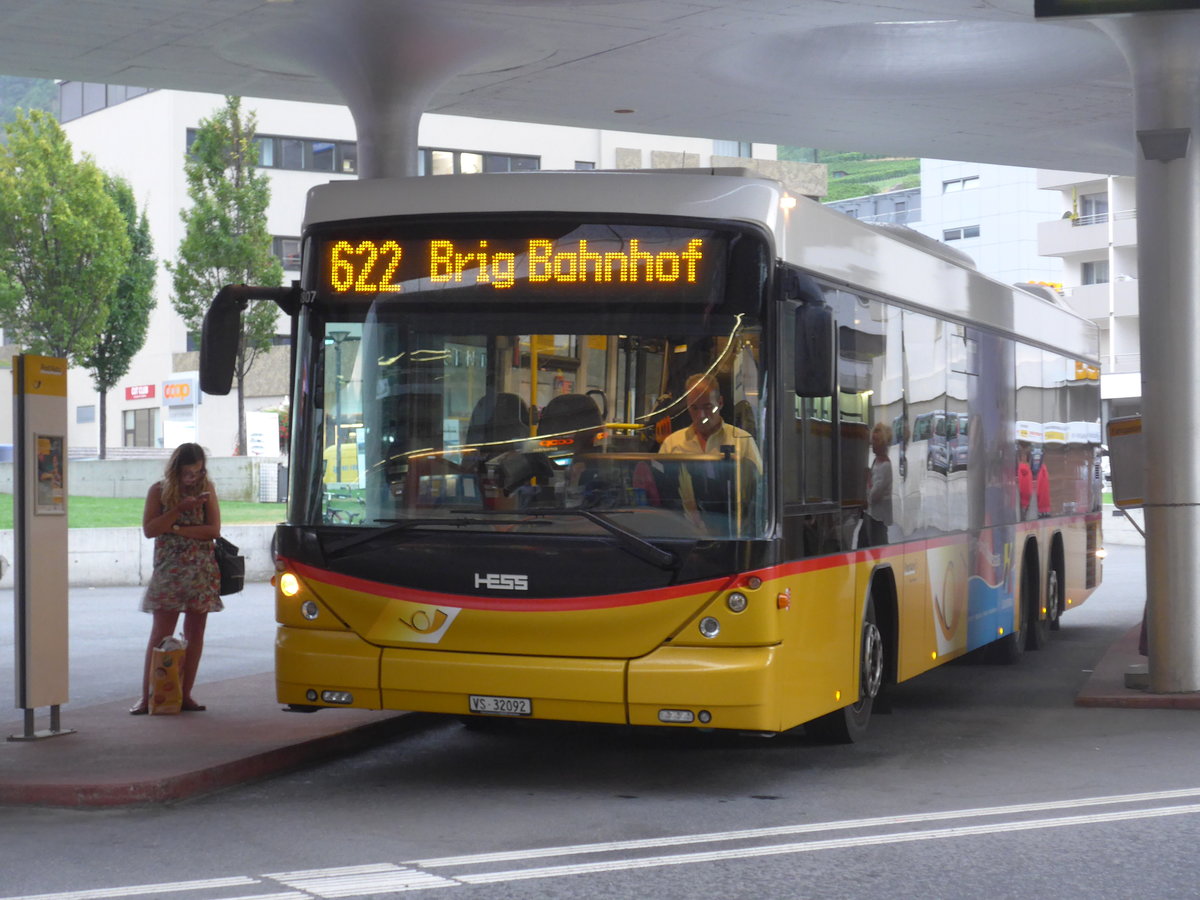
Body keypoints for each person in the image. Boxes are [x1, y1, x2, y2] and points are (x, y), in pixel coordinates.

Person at [130, 443, 222, 715]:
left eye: (197, 472)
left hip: (201, 571)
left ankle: (185, 694)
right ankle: (147, 697)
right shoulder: (158, 491)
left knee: (195, 634)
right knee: (161, 633)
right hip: (170, 571)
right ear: (176, 470)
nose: (192, 478)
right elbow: (150, 529)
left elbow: (213, 530)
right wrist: (179, 509)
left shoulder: (208, 491)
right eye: (187, 473)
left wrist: (177, 528)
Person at [658, 373, 761, 525]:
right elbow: (661, 492)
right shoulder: (672, 443)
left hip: (731, 529)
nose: (701, 416)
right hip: (683, 530)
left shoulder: (742, 440)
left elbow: (759, 489)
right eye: (694, 408)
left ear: (720, 403)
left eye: (707, 407)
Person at [864, 421, 893, 546]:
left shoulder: (885, 466)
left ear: (882, 444)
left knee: (878, 550)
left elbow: (874, 495)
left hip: (878, 518)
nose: (872, 444)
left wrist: (868, 478)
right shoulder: (876, 461)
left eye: (875, 441)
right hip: (871, 515)